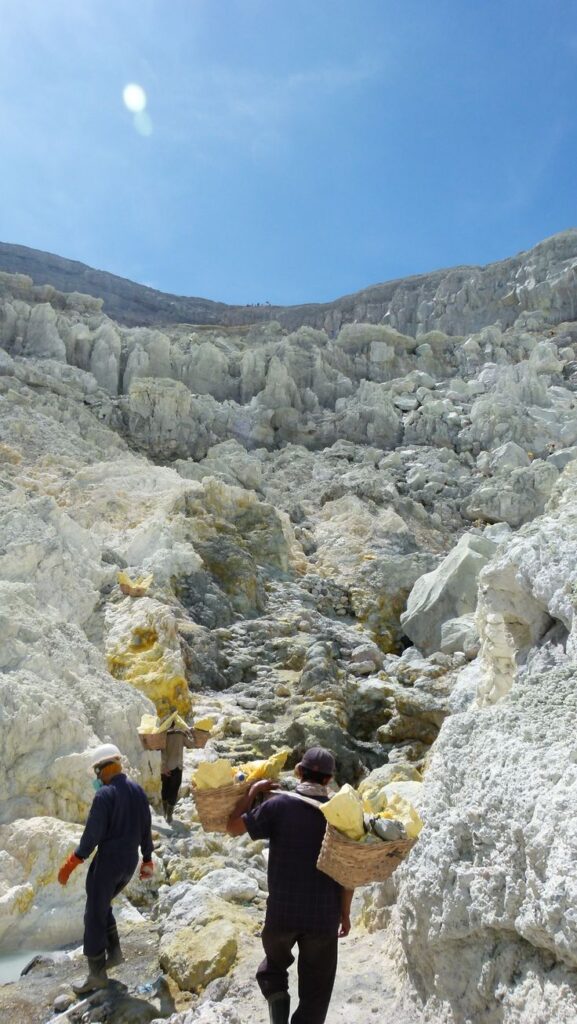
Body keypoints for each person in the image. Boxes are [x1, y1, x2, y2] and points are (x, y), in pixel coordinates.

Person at [227, 746, 354, 1024]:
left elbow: (233, 827)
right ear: (329, 779)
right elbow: (349, 872)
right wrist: (345, 912)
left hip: (282, 912)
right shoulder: (341, 817)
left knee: (273, 968)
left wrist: (252, 791)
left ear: (298, 772)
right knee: (317, 991)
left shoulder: (278, 806)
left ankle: (277, 1001)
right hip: (323, 915)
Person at [57, 743, 154, 995]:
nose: (97, 778)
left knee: (93, 914)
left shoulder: (105, 795)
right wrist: (147, 859)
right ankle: (115, 954)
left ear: (105, 768)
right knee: (103, 905)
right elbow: (146, 826)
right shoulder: (138, 791)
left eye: (97, 772)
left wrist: (73, 861)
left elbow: (93, 835)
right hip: (129, 863)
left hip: (109, 863)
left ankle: (96, 975)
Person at [160, 719, 197, 824]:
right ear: (174, 724)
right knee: (174, 791)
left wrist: (164, 766)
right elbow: (191, 745)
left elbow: (162, 752)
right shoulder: (180, 734)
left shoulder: (162, 736)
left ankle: (164, 814)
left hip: (165, 768)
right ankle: (169, 816)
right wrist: (192, 734)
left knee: (165, 790)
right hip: (177, 767)